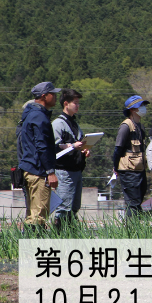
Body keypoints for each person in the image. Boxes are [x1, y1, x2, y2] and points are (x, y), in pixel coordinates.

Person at [17, 82, 60, 231]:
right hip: (38, 171)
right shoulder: (39, 117)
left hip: (29, 168)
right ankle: (32, 250)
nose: (55, 97)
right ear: (44, 96)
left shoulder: (30, 114)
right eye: (53, 94)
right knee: (38, 216)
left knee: (32, 215)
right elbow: (42, 146)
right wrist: (50, 172)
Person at [51, 88, 90, 229]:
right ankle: (60, 235)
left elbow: (77, 145)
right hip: (64, 171)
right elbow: (55, 147)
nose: (78, 105)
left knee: (74, 207)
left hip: (77, 170)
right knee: (63, 207)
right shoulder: (58, 124)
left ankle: (71, 236)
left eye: (79, 103)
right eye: (75, 103)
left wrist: (84, 150)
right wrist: (72, 146)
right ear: (66, 103)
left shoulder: (75, 124)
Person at [112, 95, 150, 219]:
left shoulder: (140, 126)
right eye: (141, 106)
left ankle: (136, 231)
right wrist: (115, 166)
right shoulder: (125, 126)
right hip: (129, 172)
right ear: (133, 109)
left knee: (138, 203)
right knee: (132, 204)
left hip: (140, 170)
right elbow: (118, 149)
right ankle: (131, 232)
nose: (144, 108)